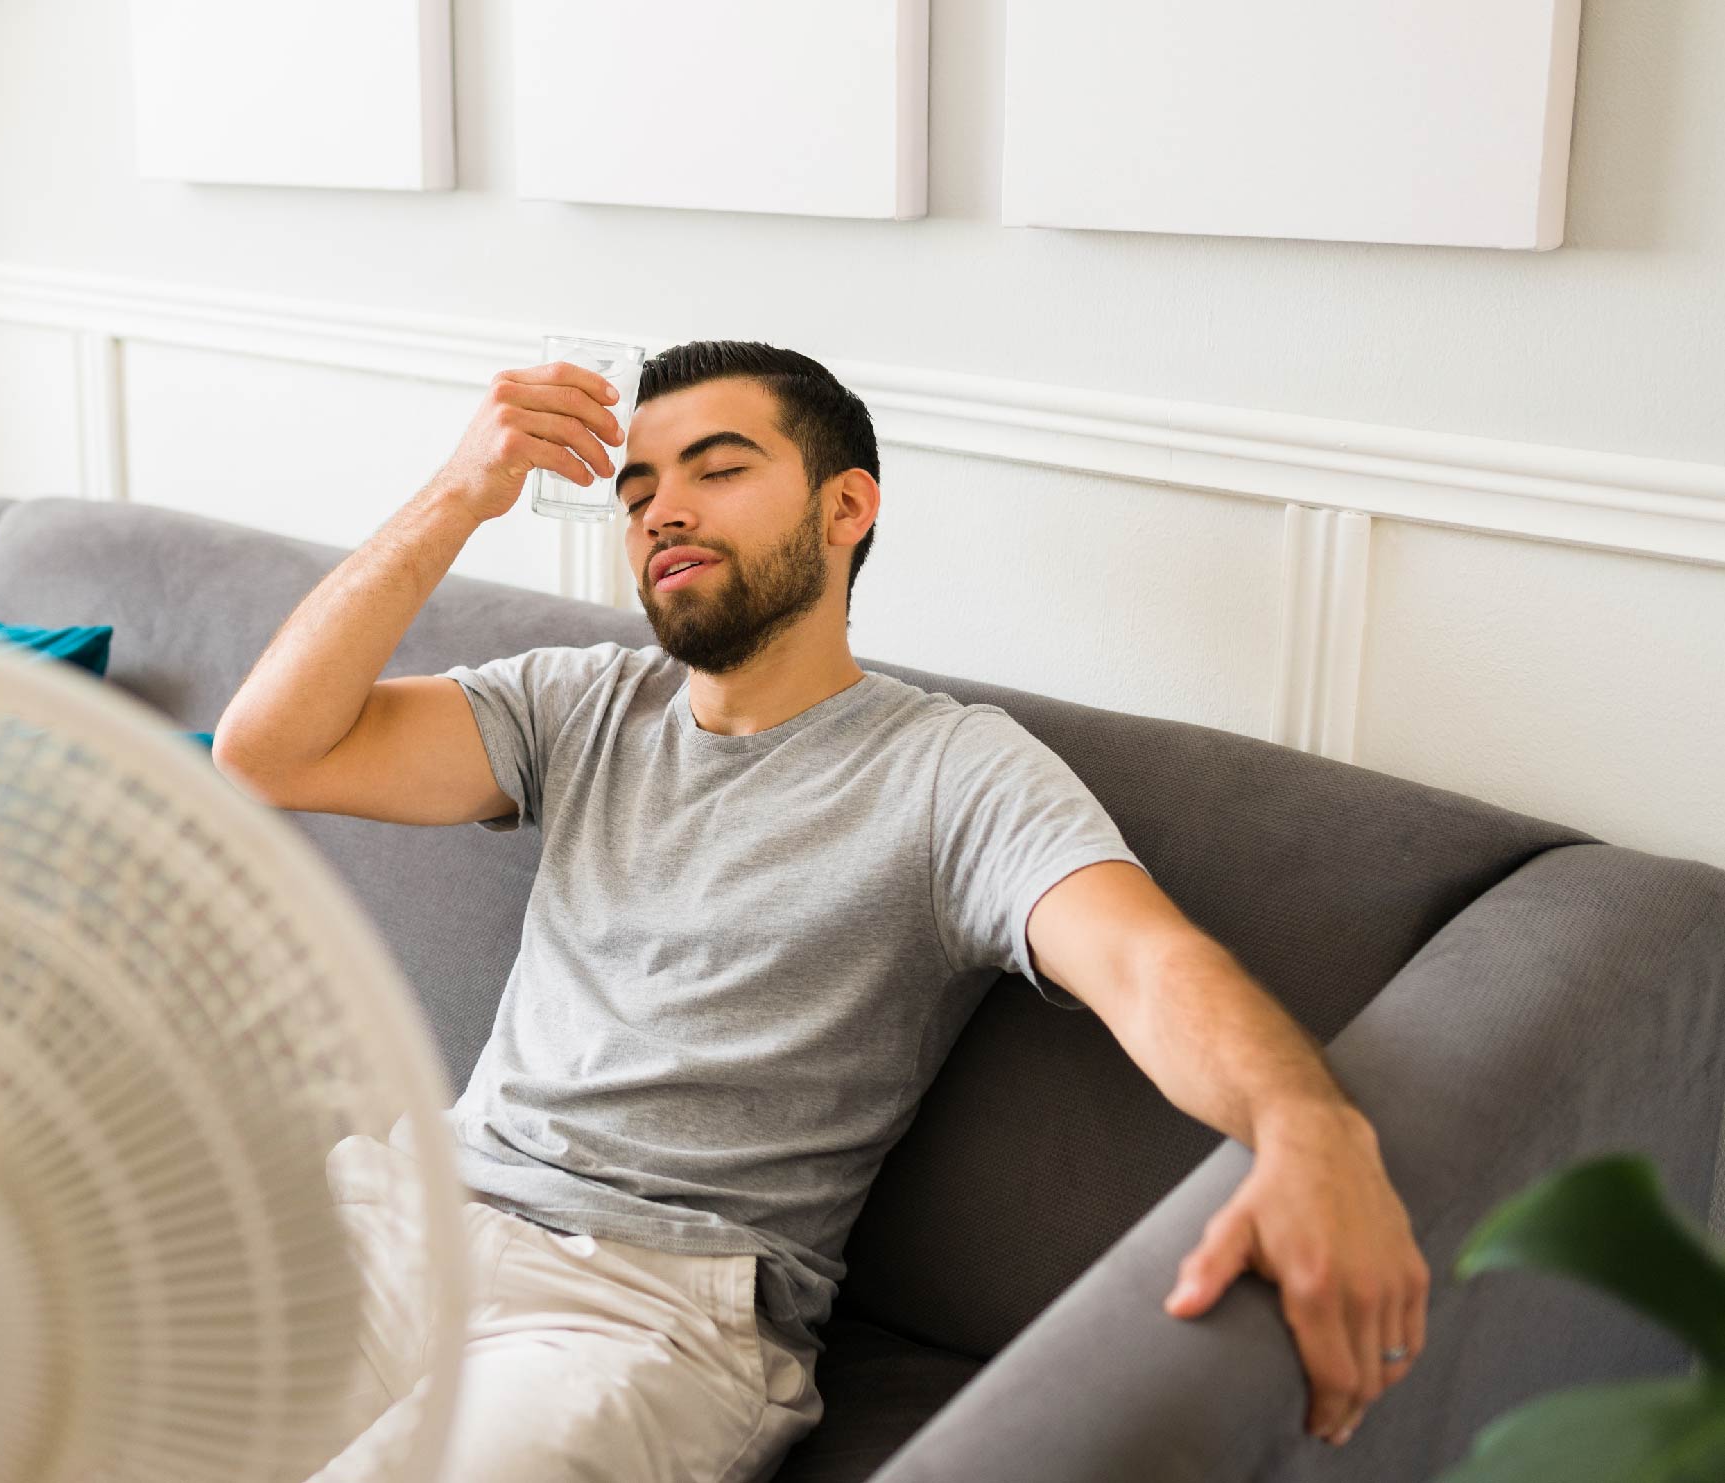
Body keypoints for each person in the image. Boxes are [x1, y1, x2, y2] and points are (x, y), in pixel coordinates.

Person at [213, 341, 1429, 1483]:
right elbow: (266, 751)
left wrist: (1307, 1128)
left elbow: (1145, 963)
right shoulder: (580, 703)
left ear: (846, 509)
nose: (662, 512)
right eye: (637, 491)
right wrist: (457, 493)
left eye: (718, 469)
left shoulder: (956, 771)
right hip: (408, 1212)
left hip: (646, 1309)